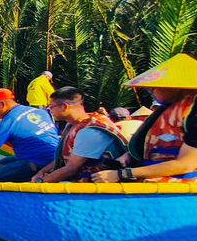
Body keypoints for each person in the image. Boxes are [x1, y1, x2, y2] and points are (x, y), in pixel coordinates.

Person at [93, 53, 197, 183]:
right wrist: (130, 155)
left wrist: (123, 174)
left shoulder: (193, 112)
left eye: (154, 87)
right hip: (152, 185)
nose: (151, 90)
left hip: (182, 190)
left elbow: (186, 164)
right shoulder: (168, 108)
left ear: (177, 86)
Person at [31, 87, 128, 183]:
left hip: (99, 186)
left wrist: (40, 181)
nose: (50, 111)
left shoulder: (89, 131)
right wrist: (42, 172)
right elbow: (61, 159)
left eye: (51, 107)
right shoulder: (71, 125)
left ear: (65, 106)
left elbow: (71, 169)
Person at [0, 88, 60, 182]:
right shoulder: (39, 112)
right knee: (3, 162)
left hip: (38, 162)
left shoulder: (7, 122)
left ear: (2, 104)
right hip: (56, 158)